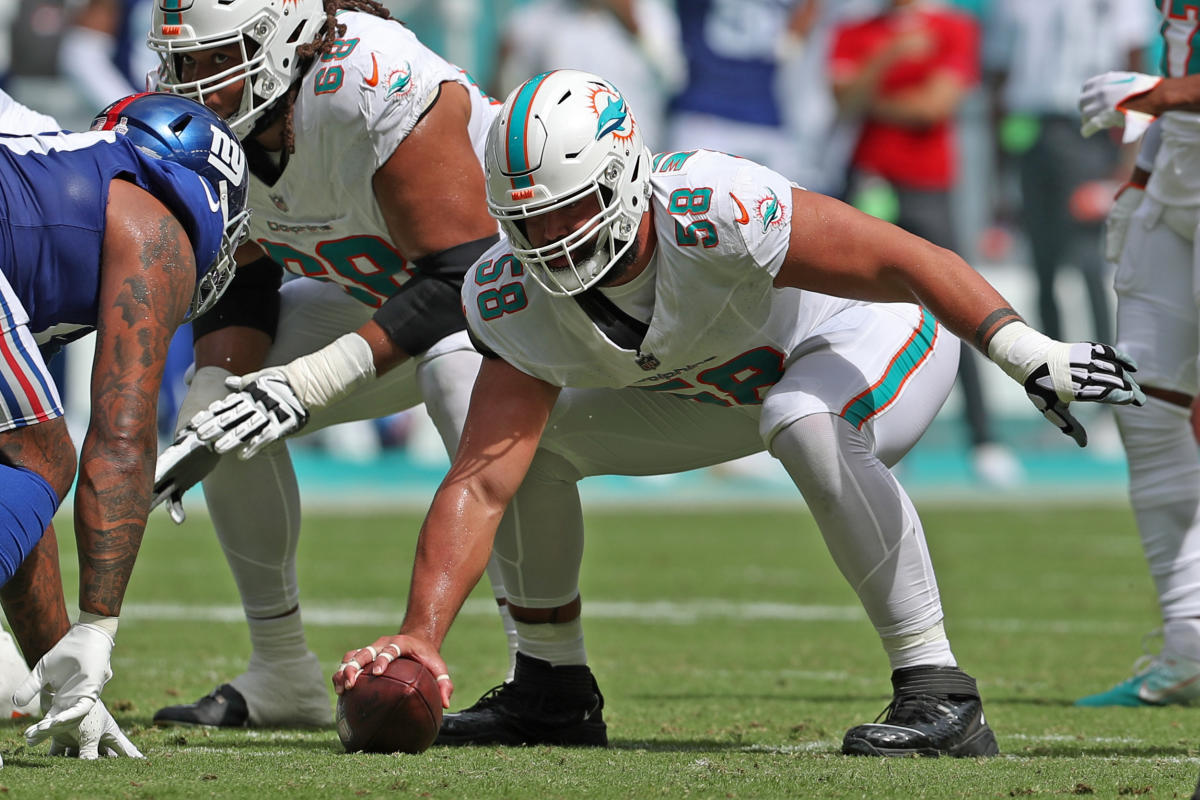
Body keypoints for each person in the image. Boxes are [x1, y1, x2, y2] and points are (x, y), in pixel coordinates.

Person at [185, 69, 1143, 754]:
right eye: (528, 223)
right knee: (529, 435)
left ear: (622, 182)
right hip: (724, 385)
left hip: (865, 338)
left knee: (805, 420)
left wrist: (1026, 352)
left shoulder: (711, 204)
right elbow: (481, 478)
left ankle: (939, 689)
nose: (550, 241)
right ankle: (551, 688)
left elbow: (906, 261)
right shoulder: (512, 291)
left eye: (566, 214)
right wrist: (419, 636)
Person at [144, 0, 517, 728]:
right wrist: (216, 387)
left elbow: (463, 276)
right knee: (226, 418)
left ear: (283, 41)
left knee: (453, 371)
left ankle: (541, 672)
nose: (195, 86)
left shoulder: (370, 79)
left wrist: (310, 381)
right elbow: (241, 272)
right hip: (388, 299)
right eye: (184, 62)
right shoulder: (225, 122)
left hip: (516, 308)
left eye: (217, 60)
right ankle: (282, 670)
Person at [0, 90, 250, 760]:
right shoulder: (153, 221)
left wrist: (63, 677)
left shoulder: (50, 194)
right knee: (46, 460)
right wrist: (99, 630)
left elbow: (10, 488)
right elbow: (122, 438)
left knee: (28, 458)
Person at [829, 0, 1021, 488]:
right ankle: (873, 438)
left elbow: (934, 107)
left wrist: (872, 94)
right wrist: (891, 55)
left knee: (957, 304)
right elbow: (841, 100)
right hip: (868, 181)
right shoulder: (856, 30)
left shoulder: (956, 27)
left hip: (928, 184)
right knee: (856, 314)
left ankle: (984, 440)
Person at [1071, 7, 1200, 706]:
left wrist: (1158, 94)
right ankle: (1189, 647)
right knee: (1144, 400)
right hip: (1179, 174)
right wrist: (1146, 171)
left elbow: (1175, 81)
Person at [494, 0, 684, 149]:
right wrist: (503, 65)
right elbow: (509, 97)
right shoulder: (534, 21)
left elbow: (674, 79)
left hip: (639, 151)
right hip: (563, 158)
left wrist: (633, 26)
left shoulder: (651, 15)